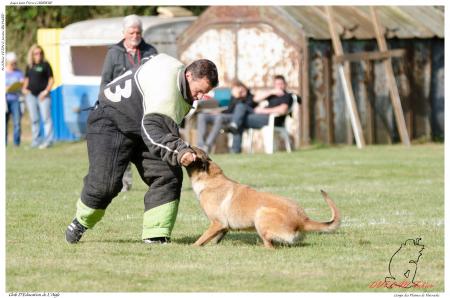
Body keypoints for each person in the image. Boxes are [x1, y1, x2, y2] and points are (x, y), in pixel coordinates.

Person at [65, 53, 218, 245]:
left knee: (168, 175)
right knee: (106, 184)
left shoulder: (172, 66)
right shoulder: (167, 92)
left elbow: (149, 60)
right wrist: (180, 150)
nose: (200, 97)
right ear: (189, 75)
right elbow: (153, 130)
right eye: (199, 91)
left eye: (205, 93)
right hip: (110, 120)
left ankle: (155, 236)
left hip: (141, 123)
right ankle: (81, 222)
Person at [100, 14, 158, 192]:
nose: (135, 36)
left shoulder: (151, 51)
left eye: (138, 32)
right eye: (131, 32)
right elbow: (105, 81)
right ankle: (124, 183)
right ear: (124, 33)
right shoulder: (113, 53)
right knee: (122, 145)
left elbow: (158, 77)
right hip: (121, 108)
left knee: (149, 145)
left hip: (144, 106)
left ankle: (155, 181)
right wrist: (102, 103)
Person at [225, 75, 292, 153]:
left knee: (240, 107)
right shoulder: (272, 95)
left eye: (281, 84)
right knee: (240, 120)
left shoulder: (287, 96)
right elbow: (255, 99)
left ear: (285, 84)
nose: (279, 86)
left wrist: (263, 110)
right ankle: (235, 149)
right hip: (261, 117)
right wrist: (271, 92)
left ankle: (234, 126)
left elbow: (282, 110)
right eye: (277, 84)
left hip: (271, 119)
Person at [196, 80, 255, 153]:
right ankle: (200, 145)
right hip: (225, 114)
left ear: (244, 88)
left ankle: (208, 145)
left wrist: (238, 97)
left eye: (240, 89)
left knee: (219, 117)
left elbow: (246, 107)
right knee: (202, 116)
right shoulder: (234, 97)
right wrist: (219, 111)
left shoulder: (250, 97)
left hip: (234, 118)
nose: (239, 91)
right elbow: (229, 109)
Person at [21, 44, 54, 149]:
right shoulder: (29, 66)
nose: (38, 55)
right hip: (31, 95)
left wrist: (45, 92)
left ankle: (48, 141)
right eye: (36, 53)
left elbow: (51, 79)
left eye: (40, 53)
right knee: (34, 119)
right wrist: (24, 89)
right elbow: (26, 79)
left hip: (43, 96)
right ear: (32, 54)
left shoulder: (46, 65)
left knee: (46, 118)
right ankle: (36, 141)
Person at [5, 52, 25, 147]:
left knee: (17, 122)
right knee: (4, 123)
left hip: (16, 100)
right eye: (12, 63)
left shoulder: (19, 73)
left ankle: (16, 143)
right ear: (7, 62)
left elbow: (22, 84)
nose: (14, 65)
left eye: (15, 63)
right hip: (4, 100)